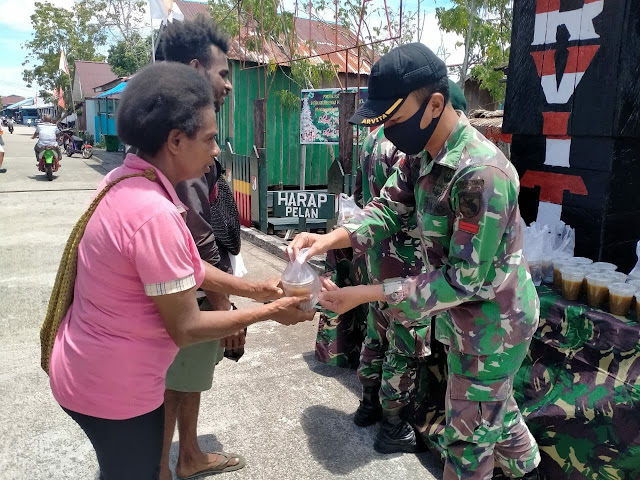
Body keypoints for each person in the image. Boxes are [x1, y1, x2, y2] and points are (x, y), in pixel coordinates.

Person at [48, 62, 315, 480]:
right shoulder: (152, 213)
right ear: (175, 140)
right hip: (112, 388)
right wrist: (270, 312)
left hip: (91, 370)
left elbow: (190, 268)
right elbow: (186, 328)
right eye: (209, 139)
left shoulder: (130, 179)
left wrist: (258, 288)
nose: (216, 150)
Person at [290, 43, 541, 480]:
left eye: (395, 119)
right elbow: (389, 208)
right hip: (463, 319)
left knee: (465, 443)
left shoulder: (481, 175)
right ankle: (530, 471)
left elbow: (463, 280)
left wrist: (364, 295)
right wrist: (326, 239)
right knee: (492, 414)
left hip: (492, 326)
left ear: (436, 105)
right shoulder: (421, 154)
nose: (388, 132)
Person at [157, 16, 252, 480]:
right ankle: (162, 466)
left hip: (197, 285)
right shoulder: (182, 140)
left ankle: (189, 453)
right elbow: (199, 236)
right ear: (196, 68)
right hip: (191, 290)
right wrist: (225, 305)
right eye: (223, 73)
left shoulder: (184, 127)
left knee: (187, 379)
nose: (229, 85)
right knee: (170, 386)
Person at [352, 78, 467, 454]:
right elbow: (402, 209)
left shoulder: (370, 141)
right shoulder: (410, 146)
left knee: (375, 332)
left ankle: (367, 404)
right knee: (402, 346)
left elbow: (362, 197)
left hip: (374, 252)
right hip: (407, 260)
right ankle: (392, 423)